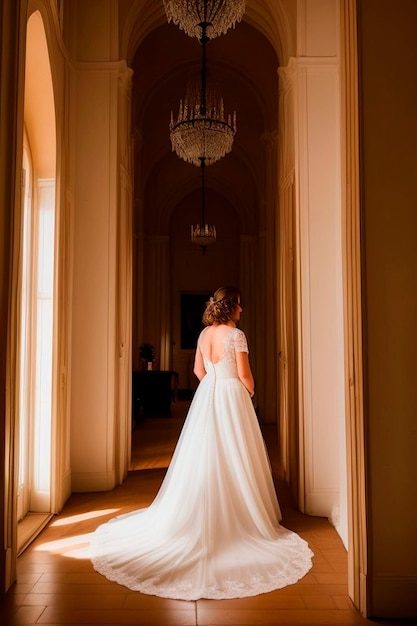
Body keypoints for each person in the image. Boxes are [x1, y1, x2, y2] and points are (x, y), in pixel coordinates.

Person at [90, 286, 313, 600]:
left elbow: (197, 370)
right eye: (240, 305)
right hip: (231, 394)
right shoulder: (237, 335)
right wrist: (248, 393)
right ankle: (241, 511)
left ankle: (204, 508)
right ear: (233, 306)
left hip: (208, 393)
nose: (242, 310)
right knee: (236, 453)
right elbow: (246, 375)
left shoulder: (204, 334)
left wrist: (213, 382)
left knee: (205, 453)